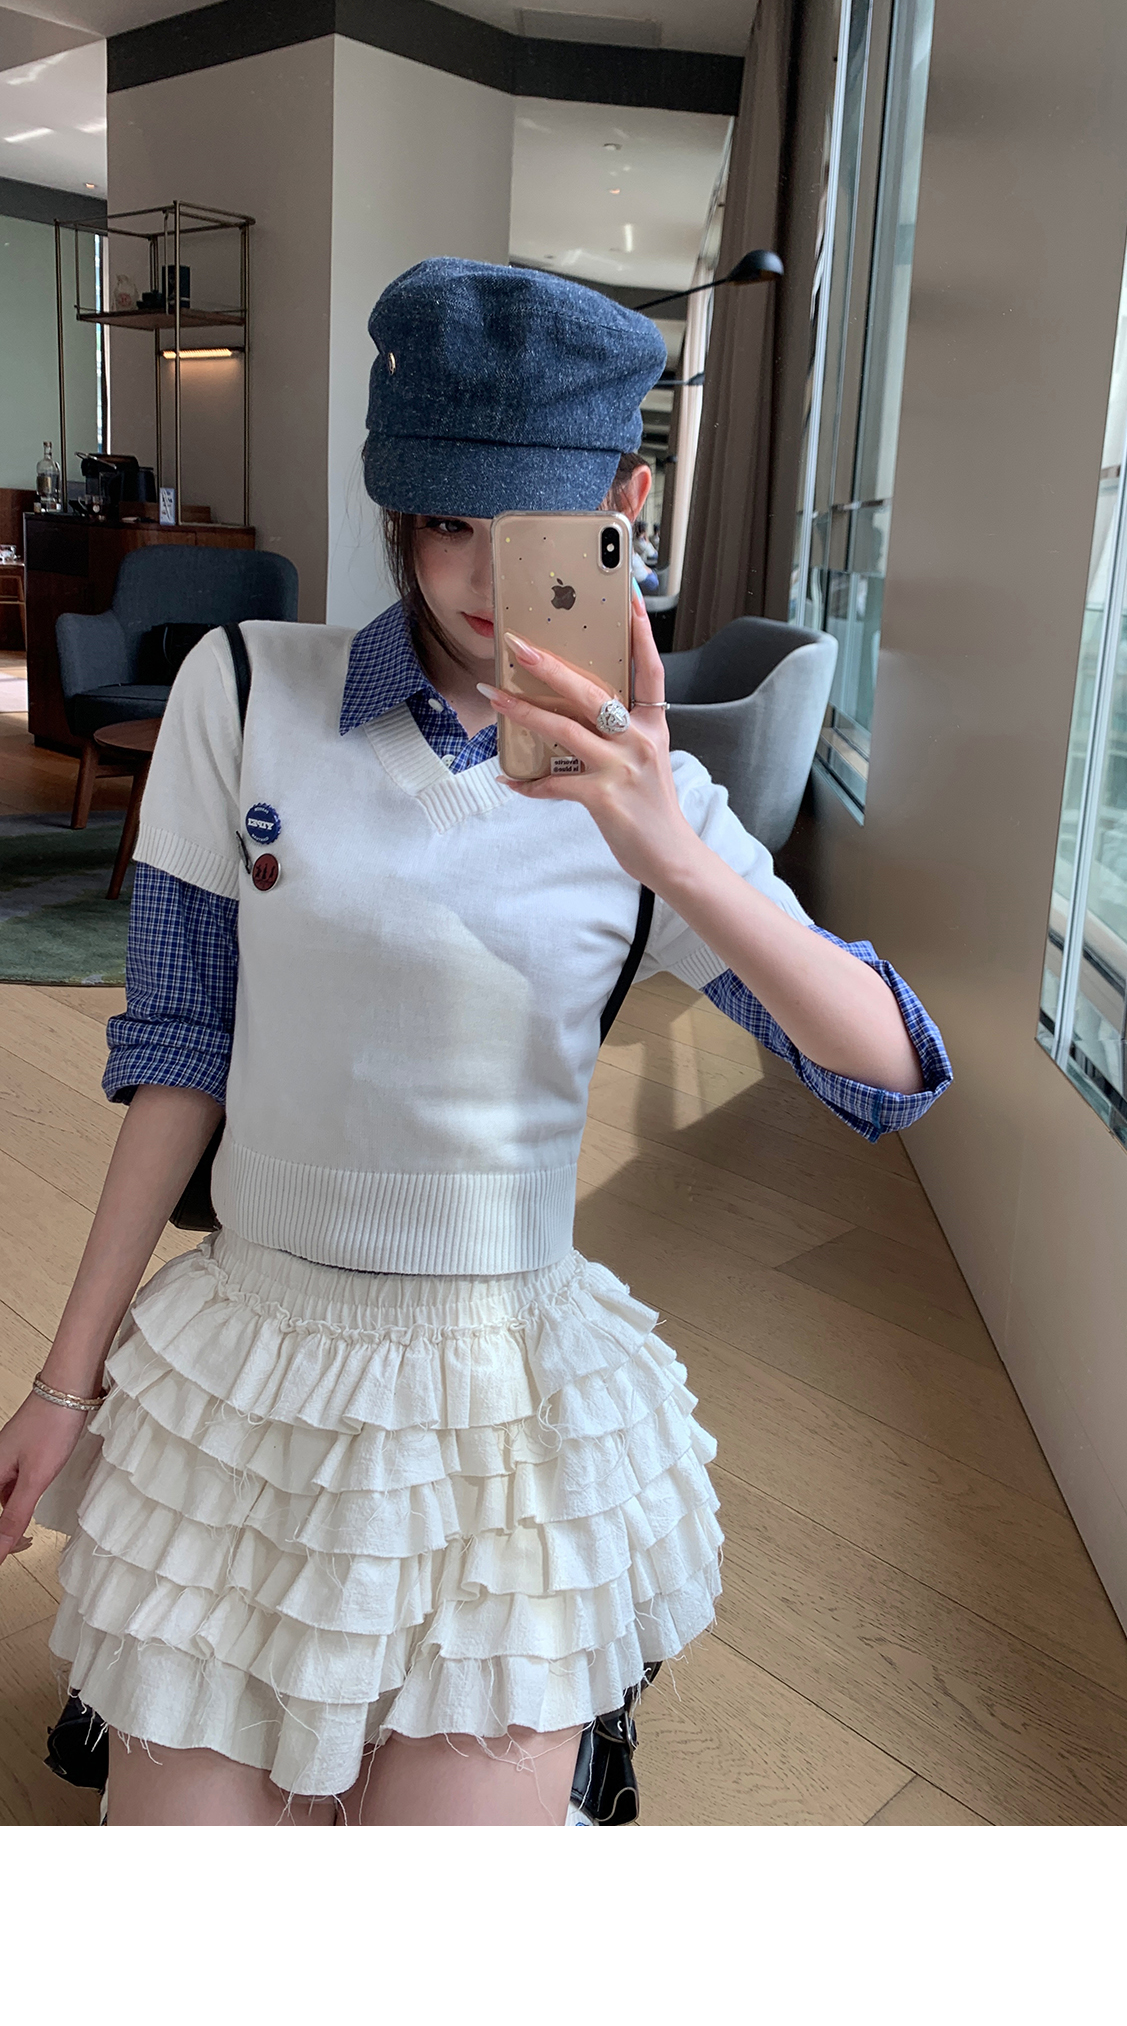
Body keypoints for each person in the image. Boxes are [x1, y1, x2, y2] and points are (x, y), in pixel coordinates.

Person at [0, 259, 951, 1826]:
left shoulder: (650, 799)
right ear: (398, 513)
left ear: (625, 504)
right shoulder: (242, 691)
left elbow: (889, 1072)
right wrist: (63, 1384)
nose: (485, 576)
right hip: (257, 1360)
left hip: (505, 1400)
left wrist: (675, 853)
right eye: (447, 522)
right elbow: (180, 1052)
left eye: (533, 525)